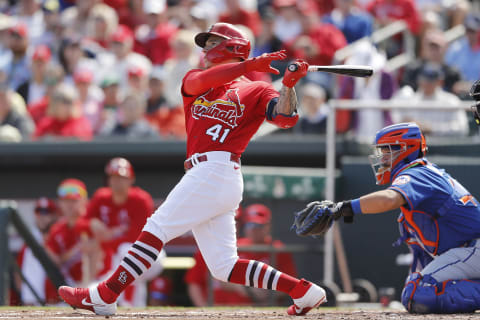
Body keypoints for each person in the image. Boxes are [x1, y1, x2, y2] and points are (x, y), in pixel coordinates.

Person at [58, 22, 326, 316]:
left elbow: (285, 118)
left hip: (218, 169)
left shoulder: (257, 89)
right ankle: (302, 290)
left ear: (232, 47)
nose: (205, 49)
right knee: (224, 266)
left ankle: (106, 293)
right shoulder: (196, 78)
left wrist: (288, 85)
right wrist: (249, 65)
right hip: (207, 174)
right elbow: (199, 83)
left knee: (156, 228)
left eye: (212, 43)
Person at [294, 122, 480, 313]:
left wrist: (342, 208)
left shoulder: (417, 171)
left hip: (473, 249)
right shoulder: (416, 195)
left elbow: (389, 199)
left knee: (417, 293)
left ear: (407, 149)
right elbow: (421, 261)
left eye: (387, 151)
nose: (382, 158)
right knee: (415, 290)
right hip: (467, 253)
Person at [82, 157, 164, 306]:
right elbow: (81, 223)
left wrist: (104, 241)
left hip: (149, 255)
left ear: (131, 179)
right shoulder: (101, 197)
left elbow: (137, 239)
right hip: (121, 259)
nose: (116, 181)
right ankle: (131, 307)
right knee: (126, 267)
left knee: (125, 251)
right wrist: (91, 224)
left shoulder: (141, 199)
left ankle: (114, 298)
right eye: (113, 177)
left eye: (121, 177)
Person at [185, 203, 298, 306]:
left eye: (258, 226)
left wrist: (268, 291)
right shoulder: (229, 246)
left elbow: (289, 284)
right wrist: (244, 288)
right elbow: (211, 281)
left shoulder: (278, 249)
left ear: (268, 226)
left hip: (262, 308)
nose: (253, 230)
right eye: (250, 225)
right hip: (223, 308)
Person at [16, 198, 59, 305]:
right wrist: (25, 295)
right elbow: (18, 272)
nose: (42, 216)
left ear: (54, 215)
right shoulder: (28, 242)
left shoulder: (59, 237)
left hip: (57, 300)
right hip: (33, 301)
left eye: (47, 212)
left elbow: (60, 263)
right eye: (39, 212)